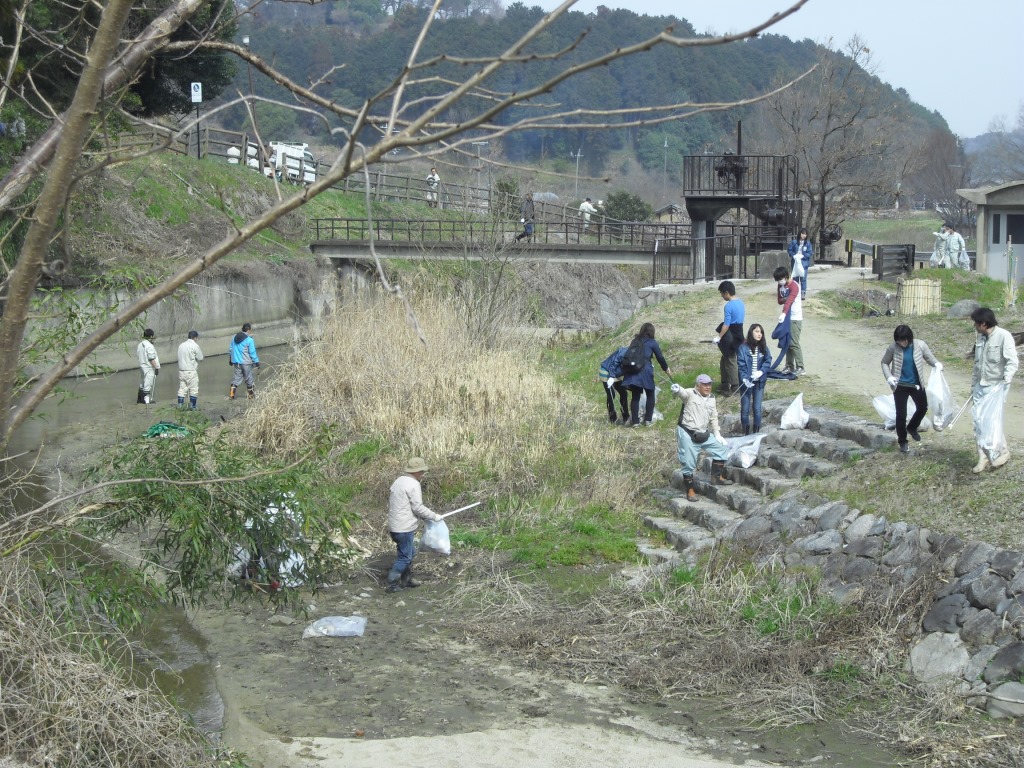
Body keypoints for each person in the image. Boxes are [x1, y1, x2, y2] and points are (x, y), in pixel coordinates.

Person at [969, 307, 1019, 472]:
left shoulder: (1004, 336)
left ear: (983, 323)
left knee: (992, 422)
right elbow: (977, 365)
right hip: (980, 386)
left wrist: (1006, 381)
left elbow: (1012, 362)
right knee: (978, 422)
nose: (974, 326)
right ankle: (982, 457)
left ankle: (1002, 453)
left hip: (995, 387)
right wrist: (973, 386)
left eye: (976, 323)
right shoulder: (980, 338)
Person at [669, 373, 732, 503]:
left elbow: (713, 417)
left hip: (703, 433)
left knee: (721, 449)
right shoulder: (690, 393)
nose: (708, 387)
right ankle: (690, 490)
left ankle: (716, 477)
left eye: (709, 384)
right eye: (704, 384)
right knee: (688, 462)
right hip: (687, 432)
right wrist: (677, 389)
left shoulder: (712, 398)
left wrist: (717, 433)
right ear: (698, 386)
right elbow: (682, 393)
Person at [879, 325, 942, 455]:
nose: (901, 343)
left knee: (923, 407)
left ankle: (912, 427)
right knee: (901, 415)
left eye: (903, 340)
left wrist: (936, 363)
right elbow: (884, 362)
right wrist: (889, 377)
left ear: (908, 338)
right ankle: (903, 441)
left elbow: (929, 357)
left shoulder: (920, 345)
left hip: (916, 384)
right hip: (900, 385)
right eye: (898, 341)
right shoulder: (893, 348)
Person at [386, 457, 443, 593]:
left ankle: (406, 580)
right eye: (422, 471)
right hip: (404, 527)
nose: (423, 474)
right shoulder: (413, 484)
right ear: (417, 471)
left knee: (410, 552)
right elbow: (417, 507)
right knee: (405, 557)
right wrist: (434, 516)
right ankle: (392, 584)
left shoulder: (398, 481)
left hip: (394, 526)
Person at [620, 322, 673, 427]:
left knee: (635, 396)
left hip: (633, 371)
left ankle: (635, 422)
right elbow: (660, 357)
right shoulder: (652, 342)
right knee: (650, 394)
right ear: (652, 332)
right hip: (645, 371)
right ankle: (648, 420)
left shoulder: (635, 340)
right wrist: (666, 368)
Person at [737, 323, 772, 435]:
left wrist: (761, 371)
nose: (759, 334)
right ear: (751, 332)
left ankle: (756, 433)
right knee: (745, 410)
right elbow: (741, 366)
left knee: (757, 408)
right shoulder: (743, 348)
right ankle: (745, 433)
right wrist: (745, 379)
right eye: (757, 331)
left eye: (761, 332)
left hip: (759, 383)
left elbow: (768, 361)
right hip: (747, 383)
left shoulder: (764, 347)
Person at [715, 280, 745, 395]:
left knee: (731, 360)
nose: (722, 296)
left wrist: (719, 337)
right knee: (724, 359)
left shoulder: (728, 306)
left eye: (722, 294)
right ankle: (724, 383)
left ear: (726, 293)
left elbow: (726, 324)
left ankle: (735, 386)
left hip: (730, 335)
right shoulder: (740, 302)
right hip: (739, 333)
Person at [774, 265, 804, 376]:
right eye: (778, 280)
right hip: (786, 317)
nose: (779, 282)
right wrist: (784, 301)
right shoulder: (780, 286)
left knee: (794, 343)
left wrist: (784, 312)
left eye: (780, 279)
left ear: (786, 276)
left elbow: (789, 301)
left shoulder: (794, 286)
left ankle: (800, 366)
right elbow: (780, 300)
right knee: (787, 342)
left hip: (795, 318)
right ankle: (789, 366)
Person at [229, 322, 260, 400]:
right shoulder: (249, 340)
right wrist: (256, 362)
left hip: (236, 362)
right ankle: (251, 396)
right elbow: (252, 352)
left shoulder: (234, 338)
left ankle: (231, 395)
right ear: (249, 330)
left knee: (236, 379)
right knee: (249, 379)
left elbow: (230, 349)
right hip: (246, 363)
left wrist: (230, 359)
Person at [599, 347, 629, 424]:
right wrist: (611, 377)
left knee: (623, 393)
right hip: (606, 371)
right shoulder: (623, 353)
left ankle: (626, 416)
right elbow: (614, 364)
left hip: (615, 373)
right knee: (611, 394)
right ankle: (612, 418)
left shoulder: (635, 356)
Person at [176, 330, 204, 410]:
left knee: (182, 389)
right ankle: (193, 406)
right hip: (191, 371)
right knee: (193, 389)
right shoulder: (195, 346)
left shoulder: (181, 345)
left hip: (181, 371)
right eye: (197, 338)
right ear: (195, 337)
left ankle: (180, 406)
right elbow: (200, 358)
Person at [136, 328, 160, 404]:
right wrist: (156, 367)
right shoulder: (149, 346)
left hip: (142, 366)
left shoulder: (140, 344)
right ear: (151, 336)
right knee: (148, 384)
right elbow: (151, 358)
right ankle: (146, 401)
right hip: (149, 367)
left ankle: (139, 400)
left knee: (142, 383)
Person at [787, 227, 813, 295]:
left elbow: (810, 253)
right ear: (799, 234)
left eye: (805, 234)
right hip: (795, 262)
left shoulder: (808, 243)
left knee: (803, 278)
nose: (804, 235)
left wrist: (803, 255)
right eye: (803, 234)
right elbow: (789, 250)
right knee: (795, 278)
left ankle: (803, 292)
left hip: (804, 263)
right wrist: (794, 255)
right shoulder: (794, 242)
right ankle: (795, 291)